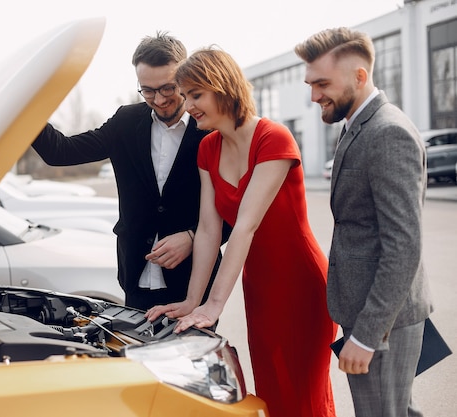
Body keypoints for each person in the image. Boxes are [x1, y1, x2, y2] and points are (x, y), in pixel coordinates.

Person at [146, 47, 338, 417]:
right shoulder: (207, 148)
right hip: (260, 287)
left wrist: (214, 305)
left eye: (195, 95)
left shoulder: (274, 138)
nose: (188, 106)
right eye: (185, 97)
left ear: (222, 86)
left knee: (305, 396)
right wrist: (193, 301)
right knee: (271, 391)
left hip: (301, 284)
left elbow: (246, 225)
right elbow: (206, 230)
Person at [31, 32, 226, 311]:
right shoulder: (125, 121)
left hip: (195, 283)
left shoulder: (212, 128)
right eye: (147, 90)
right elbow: (59, 152)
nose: (158, 99)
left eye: (168, 88)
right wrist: (27, 104)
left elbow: (236, 208)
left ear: (185, 78)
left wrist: (192, 237)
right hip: (136, 277)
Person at [294, 27, 433, 417]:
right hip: (373, 312)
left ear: (359, 76)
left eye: (322, 83)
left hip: (382, 323)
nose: (314, 95)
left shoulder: (388, 132)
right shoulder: (358, 124)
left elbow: (403, 245)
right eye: (310, 83)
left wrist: (368, 336)